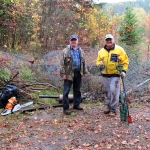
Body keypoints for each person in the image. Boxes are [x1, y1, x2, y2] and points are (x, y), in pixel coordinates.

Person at [96, 34, 129, 116]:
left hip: (116, 74)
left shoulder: (119, 50)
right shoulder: (101, 51)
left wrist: (124, 71)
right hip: (105, 75)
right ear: (105, 41)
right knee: (107, 92)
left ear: (113, 40)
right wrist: (99, 64)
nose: (109, 41)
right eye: (107, 40)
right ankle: (108, 106)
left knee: (113, 90)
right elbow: (97, 61)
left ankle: (113, 110)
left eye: (110, 40)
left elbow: (125, 61)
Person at [60, 35, 87, 115]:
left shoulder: (81, 51)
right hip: (68, 74)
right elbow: (62, 64)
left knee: (77, 90)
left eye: (75, 40)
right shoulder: (65, 51)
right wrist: (63, 74)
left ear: (77, 41)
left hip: (78, 73)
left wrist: (84, 72)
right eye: (72, 40)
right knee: (66, 91)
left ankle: (76, 104)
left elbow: (84, 62)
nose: (73, 42)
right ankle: (66, 108)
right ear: (70, 41)